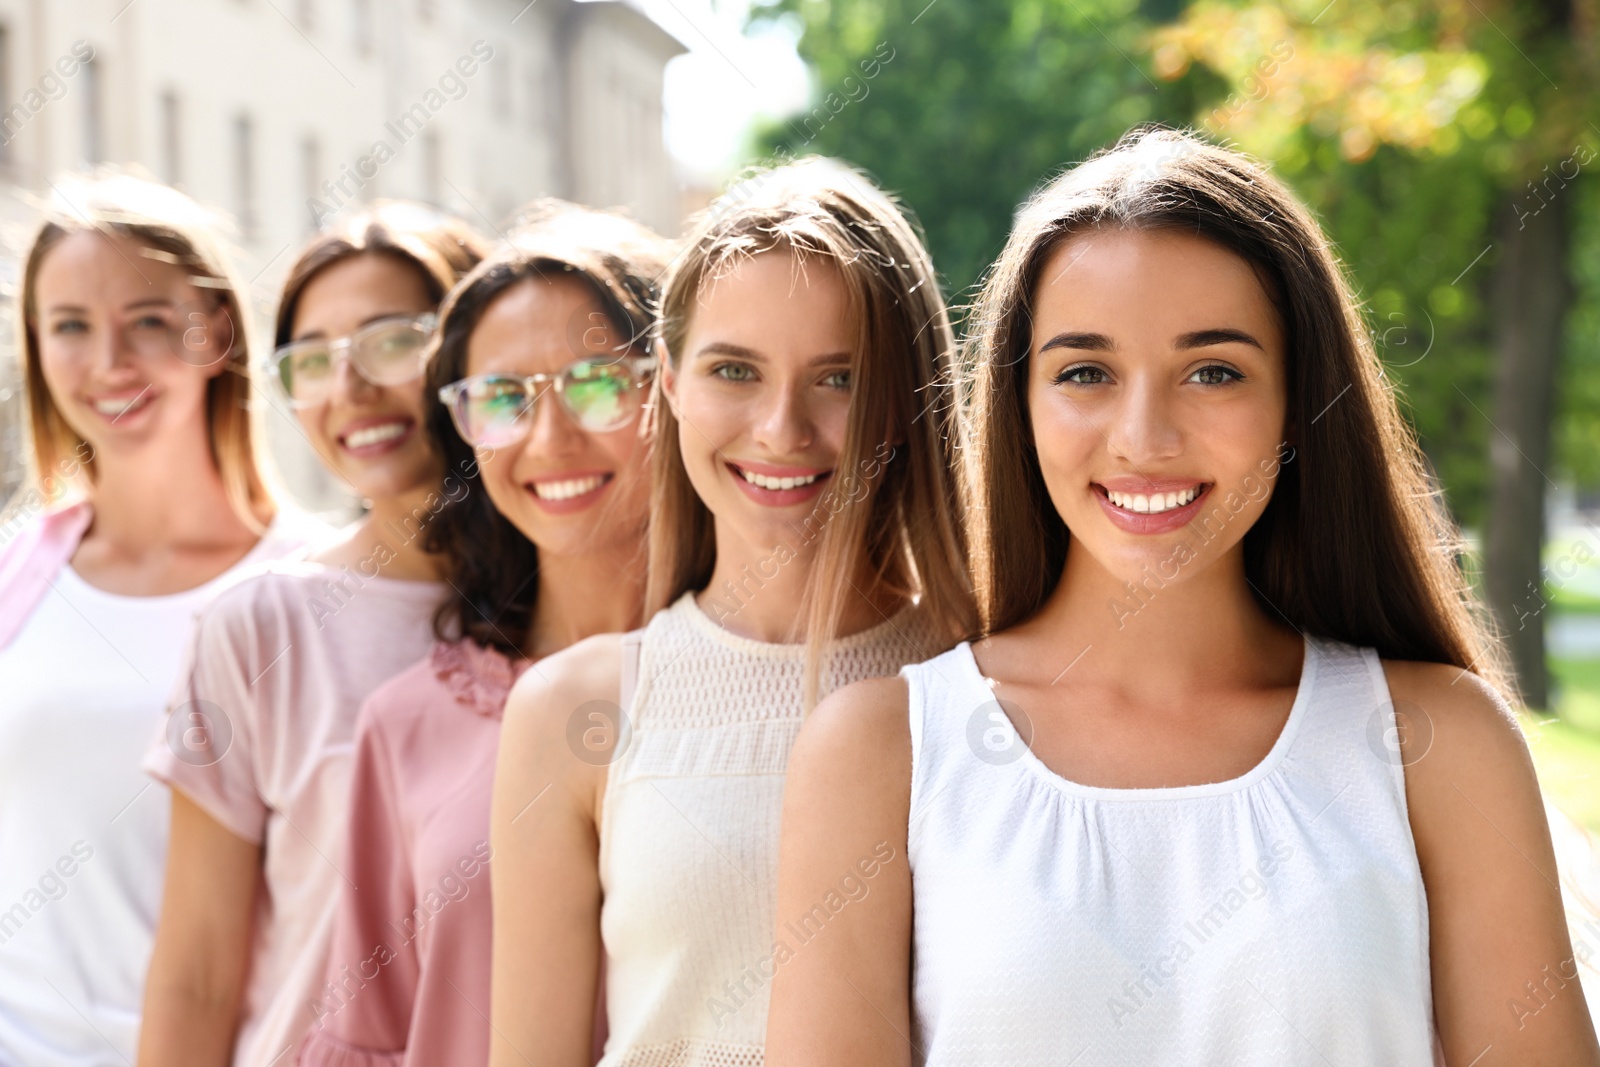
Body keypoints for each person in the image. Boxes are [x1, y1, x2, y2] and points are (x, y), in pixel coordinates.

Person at [766, 128, 1600, 1066]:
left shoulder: (1439, 743)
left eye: (1214, 370)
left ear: (1298, 402)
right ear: (1020, 401)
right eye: (1085, 372)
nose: (1143, 436)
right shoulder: (880, 753)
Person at [487, 158, 977, 1067]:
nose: (782, 428)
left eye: (838, 378)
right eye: (735, 370)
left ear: (908, 401)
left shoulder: (990, 680)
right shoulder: (571, 712)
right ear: (667, 381)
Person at [297, 201, 671, 1066]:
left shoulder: (775, 681)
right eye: (501, 398)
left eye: (597, 381)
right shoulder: (407, 721)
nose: (549, 437)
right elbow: (369, 1037)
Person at [138, 202, 488, 1067]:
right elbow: (196, 975)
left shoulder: (570, 607)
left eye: (392, 340)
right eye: (312, 362)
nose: (350, 387)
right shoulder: (259, 628)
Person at [0, 172, 321, 1066]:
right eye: (69, 325)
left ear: (215, 330)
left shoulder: (314, 588)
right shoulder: (13, 576)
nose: (108, 363)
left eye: (146, 319)